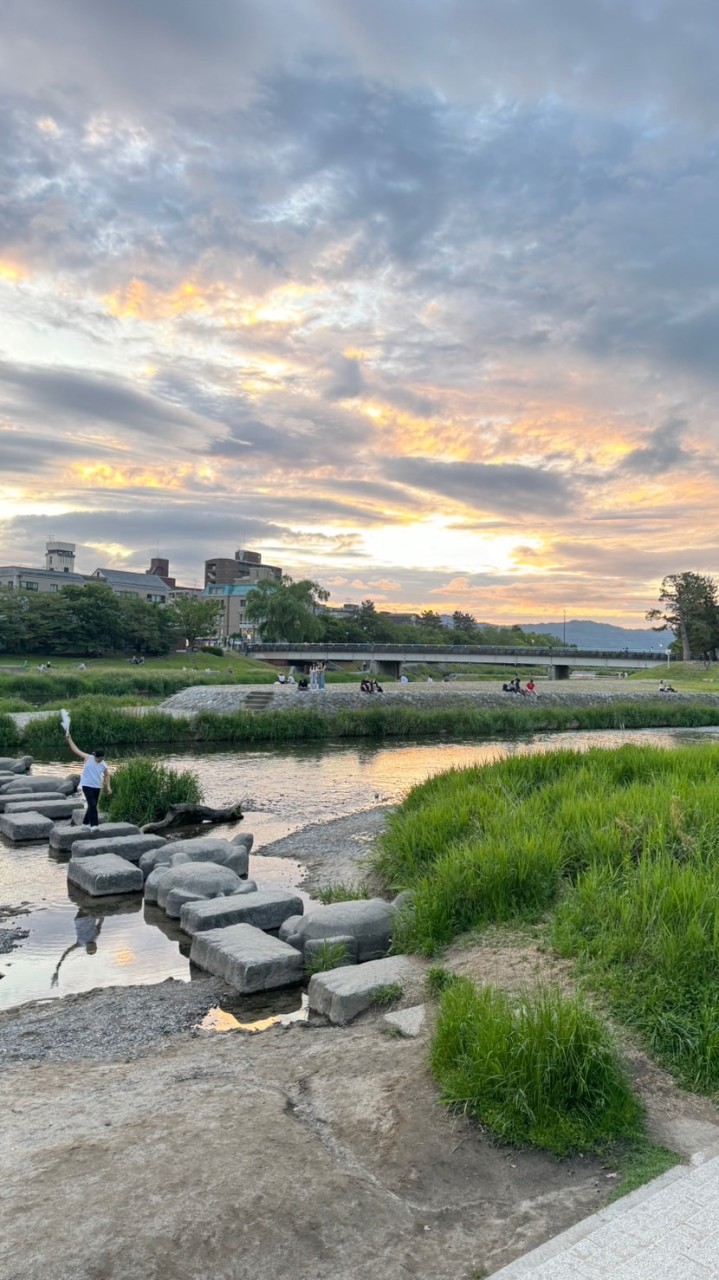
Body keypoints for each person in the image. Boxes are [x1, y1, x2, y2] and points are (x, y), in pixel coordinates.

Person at [65, 732, 112, 830]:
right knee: (92, 804)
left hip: (97, 786)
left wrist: (108, 787)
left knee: (92, 805)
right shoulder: (88, 758)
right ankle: (94, 825)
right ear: (94, 756)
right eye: (98, 758)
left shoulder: (103, 764)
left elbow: (107, 775)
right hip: (86, 785)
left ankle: (85, 824)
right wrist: (69, 739)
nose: (99, 760)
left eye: (101, 758)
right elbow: (75, 750)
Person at [51, 911, 103, 988]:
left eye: (92, 948)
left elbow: (67, 952)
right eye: (94, 947)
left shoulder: (81, 942)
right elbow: (100, 923)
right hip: (84, 918)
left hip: (83, 918)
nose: (94, 946)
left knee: (85, 905)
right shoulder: (94, 937)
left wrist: (58, 966)